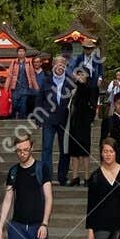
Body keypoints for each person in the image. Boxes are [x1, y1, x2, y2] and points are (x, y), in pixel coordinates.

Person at [0, 134, 51, 239]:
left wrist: (44, 224)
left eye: (26, 150)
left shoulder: (42, 168)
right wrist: (0, 227)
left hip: (37, 226)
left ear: (32, 147)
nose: (22, 153)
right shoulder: (13, 171)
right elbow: (7, 200)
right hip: (17, 226)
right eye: (19, 150)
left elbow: (49, 198)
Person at [85, 137, 120, 239]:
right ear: (101, 153)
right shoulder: (95, 176)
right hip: (101, 228)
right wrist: (90, 230)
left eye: (111, 151)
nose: (108, 154)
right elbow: (91, 205)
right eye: (105, 151)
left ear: (116, 153)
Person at [38, 48, 72, 184]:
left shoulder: (70, 81)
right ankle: (47, 177)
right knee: (46, 148)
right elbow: (39, 100)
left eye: (63, 65)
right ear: (53, 66)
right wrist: (38, 117)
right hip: (48, 119)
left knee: (65, 149)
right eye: (58, 65)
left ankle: (62, 177)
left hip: (64, 119)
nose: (60, 67)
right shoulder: (46, 81)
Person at [66, 59, 99, 185]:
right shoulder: (75, 89)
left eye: (82, 74)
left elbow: (91, 102)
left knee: (84, 151)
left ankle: (86, 177)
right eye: (78, 74)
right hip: (74, 121)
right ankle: (75, 176)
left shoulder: (90, 88)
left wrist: (90, 117)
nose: (80, 77)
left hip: (84, 122)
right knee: (74, 151)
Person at [6, 47, 39, 120]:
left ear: (25, 53)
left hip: (25, 87)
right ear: (17, 53)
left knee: (23, 106)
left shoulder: (29, 63)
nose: (21, 53)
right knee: (14, 105)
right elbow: (9, 76)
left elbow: (32, 76)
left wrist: (36, 87)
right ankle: (13, 118)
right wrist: (6, 88)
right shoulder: (13, 62)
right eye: (19, 51)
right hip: (15, 88)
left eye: (22, 51)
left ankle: (22, 121)